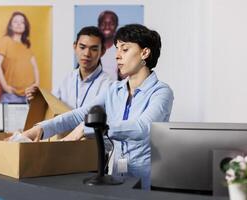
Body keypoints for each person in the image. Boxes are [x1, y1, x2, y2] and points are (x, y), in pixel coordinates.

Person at [21, 24, 174, 190]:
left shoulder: (161, 92)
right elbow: (79, 114)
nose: (117, 56)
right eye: (117, 49)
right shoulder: (114, 89)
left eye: (125, 49)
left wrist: (89, 128)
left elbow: (143, 128)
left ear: (145, 52)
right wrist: (40, 129)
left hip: (147, 180)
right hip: (116, 177)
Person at [25, 26, 112, 109]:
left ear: (102, 52)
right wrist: (34, 99)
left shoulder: (109, 85)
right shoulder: (66, 80)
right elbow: (50, 109)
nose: (86, 54)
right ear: (75, 47)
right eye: (82, 47)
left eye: (93, 49)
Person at [0, 11, 39, 103]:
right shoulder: (5, 41)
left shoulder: (26, 45)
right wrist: (5, 86)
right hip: (12, 95)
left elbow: (35, 67)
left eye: (22, 22)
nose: (19, 24)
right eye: (15, 21)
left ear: (25, 26)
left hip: (29, 95)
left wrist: (36, 84)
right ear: (10, 25)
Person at [97, 10, 119, 80]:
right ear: (98, 26)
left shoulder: (121, 50)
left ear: (116, 26)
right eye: (103, 24)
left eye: (111, 24)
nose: (107, 27)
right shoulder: (92, 49)